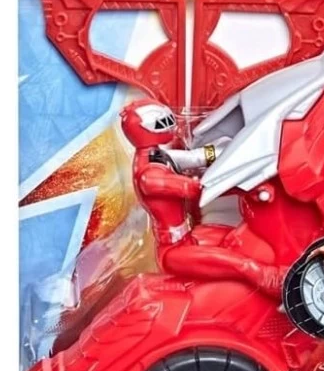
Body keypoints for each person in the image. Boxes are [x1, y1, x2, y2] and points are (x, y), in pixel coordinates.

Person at [119, 97, 284, 298]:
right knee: (245, 265)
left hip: (189, 239)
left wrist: (234, 149)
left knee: (242, 241)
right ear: (146, 129)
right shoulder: (150, 175)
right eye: (163, 123)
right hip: (174, 251)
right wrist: (242, 187)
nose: (170, 126)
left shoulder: (157, 155)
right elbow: (194, 188)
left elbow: (196, 157)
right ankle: (277, 282)